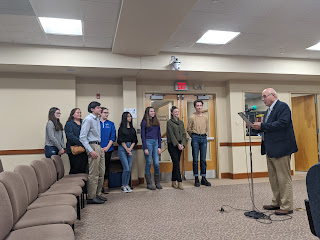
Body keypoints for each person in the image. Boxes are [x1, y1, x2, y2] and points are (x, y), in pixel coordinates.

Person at [252, 88, 298, 215]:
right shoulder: (268, 111)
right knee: (274, 178)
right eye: (262, 97)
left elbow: (282, 123)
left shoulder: (283, 107)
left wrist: (263, 126)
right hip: (270, 149)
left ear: (273, 95)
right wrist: (255, 128)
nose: (263, 99)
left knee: (283, 178)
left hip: (281, 148)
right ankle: (276, 202)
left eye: (264, 96)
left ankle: (286, 205)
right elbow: (268, 128)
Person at [80, 101, 107, 204]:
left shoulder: (96, 119)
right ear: (92, 109)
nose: (100, 109)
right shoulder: (88, 119)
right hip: (92, 145)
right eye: (98, 108)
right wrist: (90, 150)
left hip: (98, 145)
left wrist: (100, 149)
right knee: (94, 173)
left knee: (101, 172)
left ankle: (98, 194)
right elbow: (82, 137)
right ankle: (91, 197)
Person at [187, 100, 211, 187]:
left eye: (201, 105)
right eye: (197, 105)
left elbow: (207, 128)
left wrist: (203, 134)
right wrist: (194, 136)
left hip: (203, 138)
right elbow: (188, 129)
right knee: (195, 160)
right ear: (195, 107)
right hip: (195, 138)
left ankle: (203, 178)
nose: (199, 107)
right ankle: (196, 178)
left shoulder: (205, 117)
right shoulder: (192, 117)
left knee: (203, 160)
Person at [141, 107, 162, 190]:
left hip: (156, 142)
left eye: (154, 111)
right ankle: (149, 183)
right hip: (148, 142)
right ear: (147, 112)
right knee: (149, 162)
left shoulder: (156, 122)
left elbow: (159, 135)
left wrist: (159, 147)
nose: (153, 112)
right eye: (151, 111)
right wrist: (145, 148)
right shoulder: (144, 122)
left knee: (156, 163)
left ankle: (157, 182)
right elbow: (142, 136)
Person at [167, 106, 187, 190]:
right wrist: (177, 144)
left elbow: (183, 134)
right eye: (175, 112)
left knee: (176, 163)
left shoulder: (181, 122)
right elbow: (171, 135)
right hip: (172, 145)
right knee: (176, 162)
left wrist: (182, 144)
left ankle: (173, 180)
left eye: (178, 111)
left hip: (180, 145)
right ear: (172, 113)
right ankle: (179, 181)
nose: (177, 113)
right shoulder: (169, 122)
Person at [117, 112, 138, 193]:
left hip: (130, 147)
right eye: (128, 116)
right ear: (125, 118)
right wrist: (127, 149)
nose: (130, 118)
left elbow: (135, 140)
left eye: (130, 116)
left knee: (129, 168)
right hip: (123, 148)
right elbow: (120, 140)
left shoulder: (132, 129)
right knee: (126, 168)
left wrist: (130, 149)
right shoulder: (121, 128)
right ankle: (123, 185)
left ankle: (127, 185)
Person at [65, 108, 88, 174]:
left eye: (80, 112)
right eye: (77, 113)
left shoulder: (83, 123)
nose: (79, 114)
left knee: (83, 168)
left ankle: (82, 184)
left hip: (84, 149)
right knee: (75, 169)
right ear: (72, 114)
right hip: (74, 149)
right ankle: (72, 184)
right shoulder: (69, 124)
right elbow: (70, 137)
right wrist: (82, 143)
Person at [100, 107, 116, 193]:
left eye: (107, 113)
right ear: (100, 113)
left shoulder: (111, 124)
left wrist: (106, 148)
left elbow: (113, 137)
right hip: (97, 150)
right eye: (105, 112)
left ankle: (105, 185)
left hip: (108, 150)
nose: (106, 114)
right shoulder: (95, 123)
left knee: (106, 167)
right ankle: (98, 186)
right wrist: (99, 148)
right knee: (98, 168)